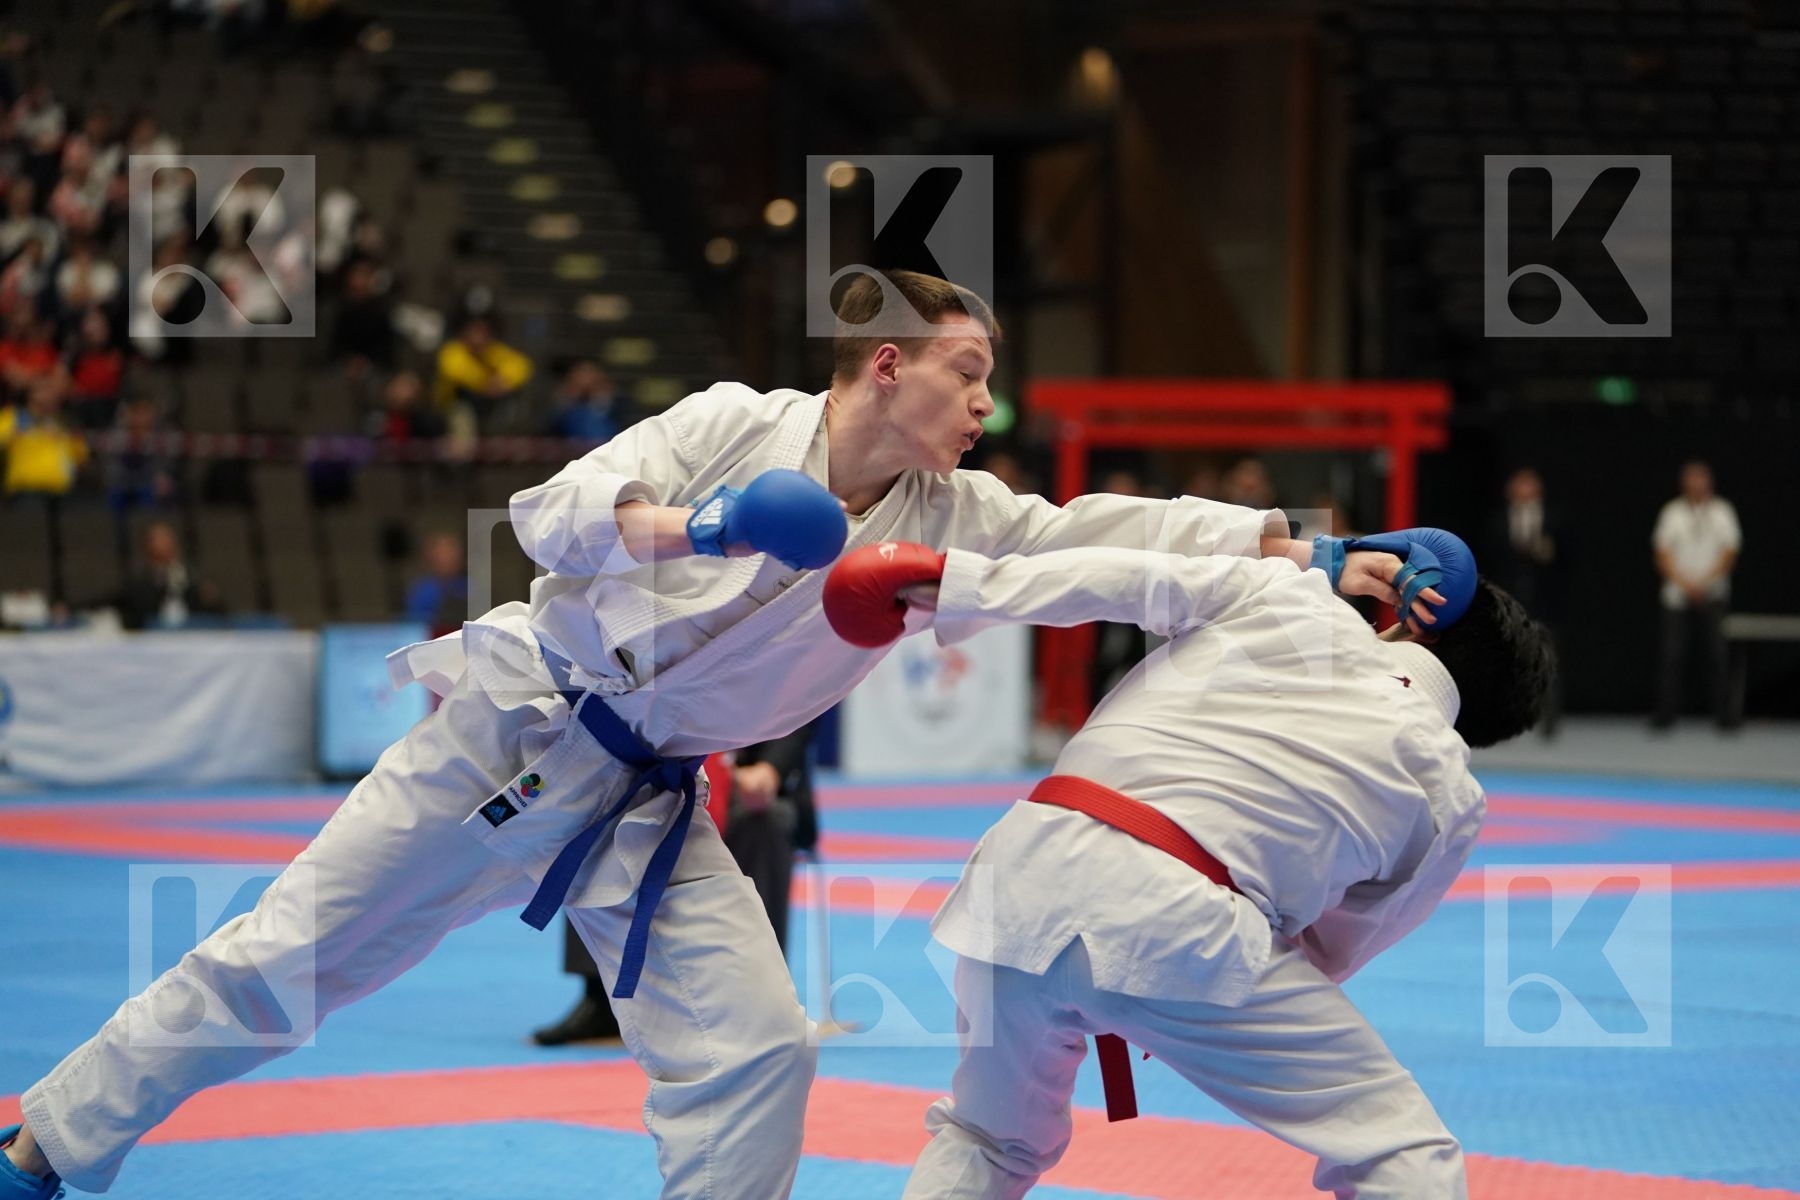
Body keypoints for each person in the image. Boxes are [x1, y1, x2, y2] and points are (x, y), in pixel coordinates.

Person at [2, 269, 1326, 1200]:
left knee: (755, 1051)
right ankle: (43, 1150)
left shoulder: (956, 516)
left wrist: (1300, 547)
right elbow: (549, 512)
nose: (987, 406)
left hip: (646, 810)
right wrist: (704, 526)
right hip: (515, 736)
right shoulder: (727, 426)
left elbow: (1095, 538)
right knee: (281, 963)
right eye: (969, 372)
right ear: (888, 362)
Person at [822, 528, 1553, 1200]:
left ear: (1413, 612)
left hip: (1017, 873)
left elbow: (1118, 575)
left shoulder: (1287, 596)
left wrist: (954, 584)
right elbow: (1327, 950)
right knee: (1402, 1155)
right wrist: (1166, 995)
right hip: (1183, 924)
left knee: (990, 1139)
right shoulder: (1450, 797)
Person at [533, 721, 822, 1046]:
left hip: (745, 781)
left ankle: (758, 997)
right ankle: (601, 999)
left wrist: (770, 769)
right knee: (602, 817)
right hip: (659, 774)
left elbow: (801, 712)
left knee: (767, 821)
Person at [1651, 460, 1741, 731]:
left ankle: (1724, 716)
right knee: (1672, 656)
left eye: (1700, 478)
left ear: (1709, 482)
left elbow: (1730, 552)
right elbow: (1662, 554)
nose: (1696, 484)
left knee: (1717, 655)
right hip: (1676, 596)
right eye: (1691, 479)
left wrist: (1704, 583)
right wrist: (1685, 583)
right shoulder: (1672, 513)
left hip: (1713, 595)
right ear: (1683, 482)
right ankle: (1665, 715)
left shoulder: (1723, 511)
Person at [1487, 467, 1565, 735]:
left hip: (1544, 599)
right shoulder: (1499, 520)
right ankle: (1504, 720)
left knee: (1547, 655)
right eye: (1518, 485)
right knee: (1506, 659)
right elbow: (1492, 560)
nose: (1523, 491)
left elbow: (1568, 559)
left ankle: (1550, 720)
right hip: (1508, 599)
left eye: (1528, 485)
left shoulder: (1553, 519)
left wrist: (1549, 554)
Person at [112, 520, 225, 630]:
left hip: (191, 634)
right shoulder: (138, 580)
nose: (165, 544)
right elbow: (136, 610)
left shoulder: (192, 575)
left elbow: (214, 607)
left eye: (167, 539)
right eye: (159, 539)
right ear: (147, 545)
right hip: (152, 636)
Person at [433, 313, 532, 427]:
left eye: (483, 333)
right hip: (448, 408)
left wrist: (504, 381)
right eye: (474, 332)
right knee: (462, 415)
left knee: (510, 407)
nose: (478, 337)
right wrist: (485, 383)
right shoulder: (452, 350)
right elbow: (457, 371)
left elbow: (522, 365)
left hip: (487, 406)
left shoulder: (493, 351)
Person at [403, 530, 470, 636]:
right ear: (431, 557)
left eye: (450, 552)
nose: (446, 559)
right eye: (441, 553)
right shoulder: (420, 591)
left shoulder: (470, 588)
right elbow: (414, 625)